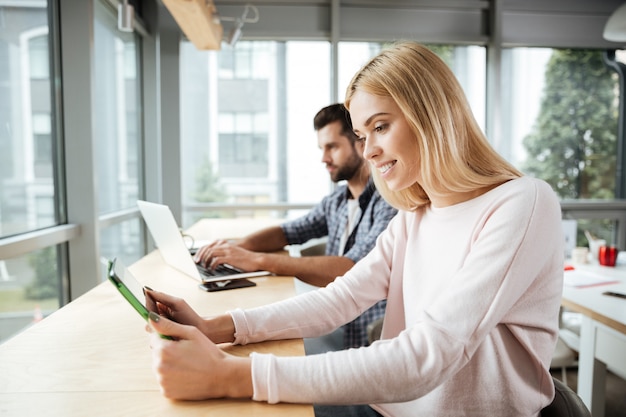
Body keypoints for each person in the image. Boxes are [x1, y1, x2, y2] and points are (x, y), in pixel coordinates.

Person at [145, 42, 564, 416]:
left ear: (432, 115)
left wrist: (234, 375)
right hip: (389, 406)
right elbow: (339, 300)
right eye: (362, 135)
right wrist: (214, 326)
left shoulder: (522, 203)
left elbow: (428, 356)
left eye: (381, 126)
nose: (369, 150)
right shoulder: (415, 215)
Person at [193, 103, 397, 350]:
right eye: (322, 148)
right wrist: (235, 249)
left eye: (332, 147)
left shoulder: (389, 202)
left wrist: (258, 261)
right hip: (335, 319)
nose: (324, 158)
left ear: (360, 144)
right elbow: (287, 232)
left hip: (364, 335)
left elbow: (351, 269)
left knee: (261, 350)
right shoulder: (337, 201)